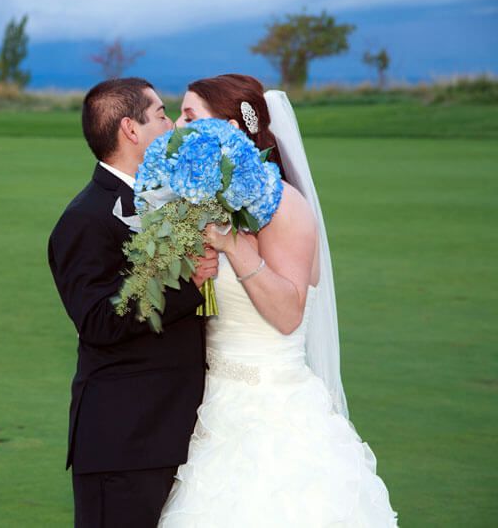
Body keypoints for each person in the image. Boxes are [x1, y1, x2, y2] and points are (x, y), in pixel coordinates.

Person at [157, 74, 400, 526]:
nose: (175, 123)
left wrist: (233, 248)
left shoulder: (284, 206)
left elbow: (289, 313)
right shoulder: (204, 202)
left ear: (229, 129)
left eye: (189, 115)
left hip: (271, 409)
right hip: (210, 404)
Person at [47, 77, 219, 528]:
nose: (170, 124)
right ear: (130, 128)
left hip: (181, 429)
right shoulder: (84, 220)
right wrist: (190, 287)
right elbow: (99, 321)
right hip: (127, 439)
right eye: (161, 114)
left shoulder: (168, 200)